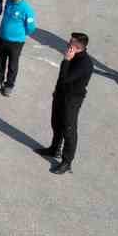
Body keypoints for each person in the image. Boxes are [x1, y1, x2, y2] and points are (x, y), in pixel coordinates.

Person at [38, 33, 92, 175]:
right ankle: (54, 148)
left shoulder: (84, 64)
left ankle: (67, 162)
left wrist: (66, 61)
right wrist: (56, 92)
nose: (67, 45)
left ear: (77, 47)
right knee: (56, 123)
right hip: (61, 95)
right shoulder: (73, 56)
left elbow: (64, 78)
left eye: (70, 43)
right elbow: (61, 82)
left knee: (69, 129)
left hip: (72, 100)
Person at [0, 0, 37, 97]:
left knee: (12, 64)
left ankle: (9, 85)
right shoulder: (9, 1)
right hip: (2, 37)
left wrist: (20, 35)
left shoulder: (26, 9)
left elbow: (31, 28)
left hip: (16, 42)